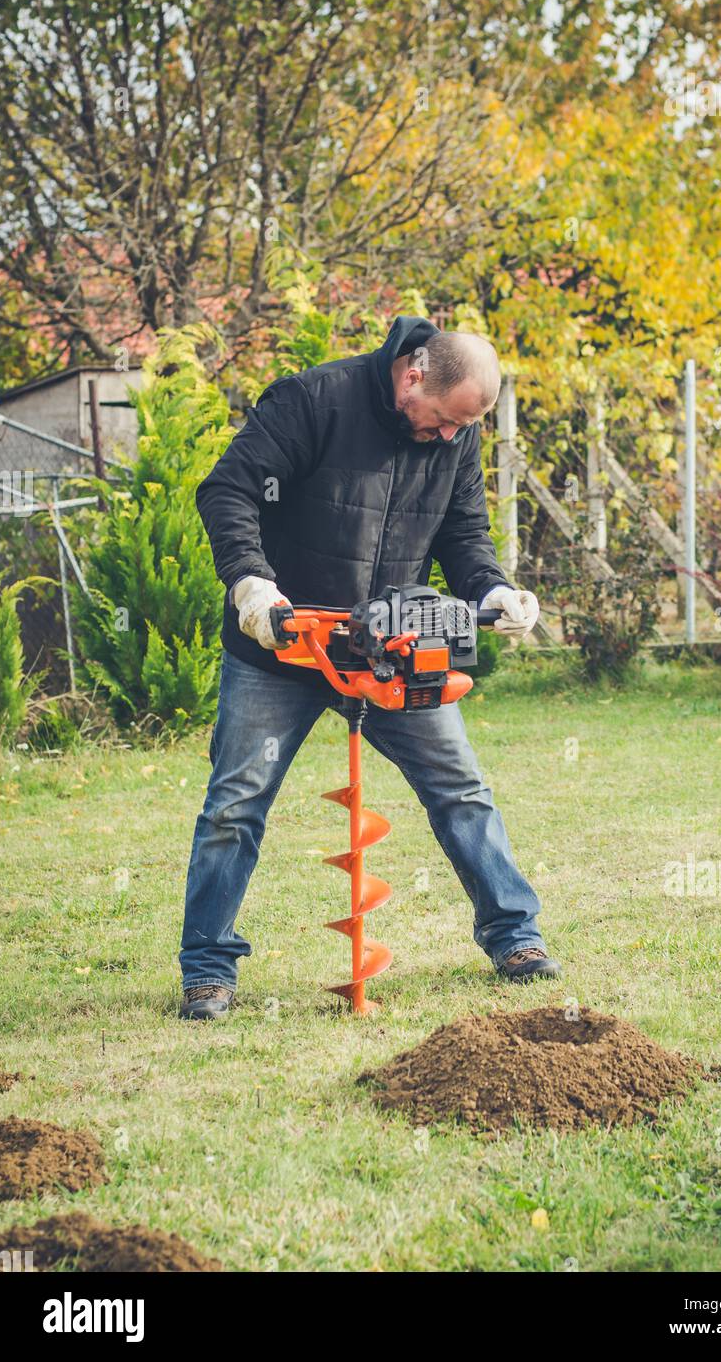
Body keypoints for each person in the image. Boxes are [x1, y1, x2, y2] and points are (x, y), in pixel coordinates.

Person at [179, 315, 561, 1019]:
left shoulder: (455, 433)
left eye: (463, 427)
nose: (449, 436)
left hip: (391, 651)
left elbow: (463, 534)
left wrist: (493, 588)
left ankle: (516, 937)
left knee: (459, 788)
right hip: (285, 646)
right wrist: (252, 586)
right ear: (412, 377)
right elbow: (228, 490)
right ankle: (207, 971)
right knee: (236, 804)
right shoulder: (312, 400)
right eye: (443, 420)